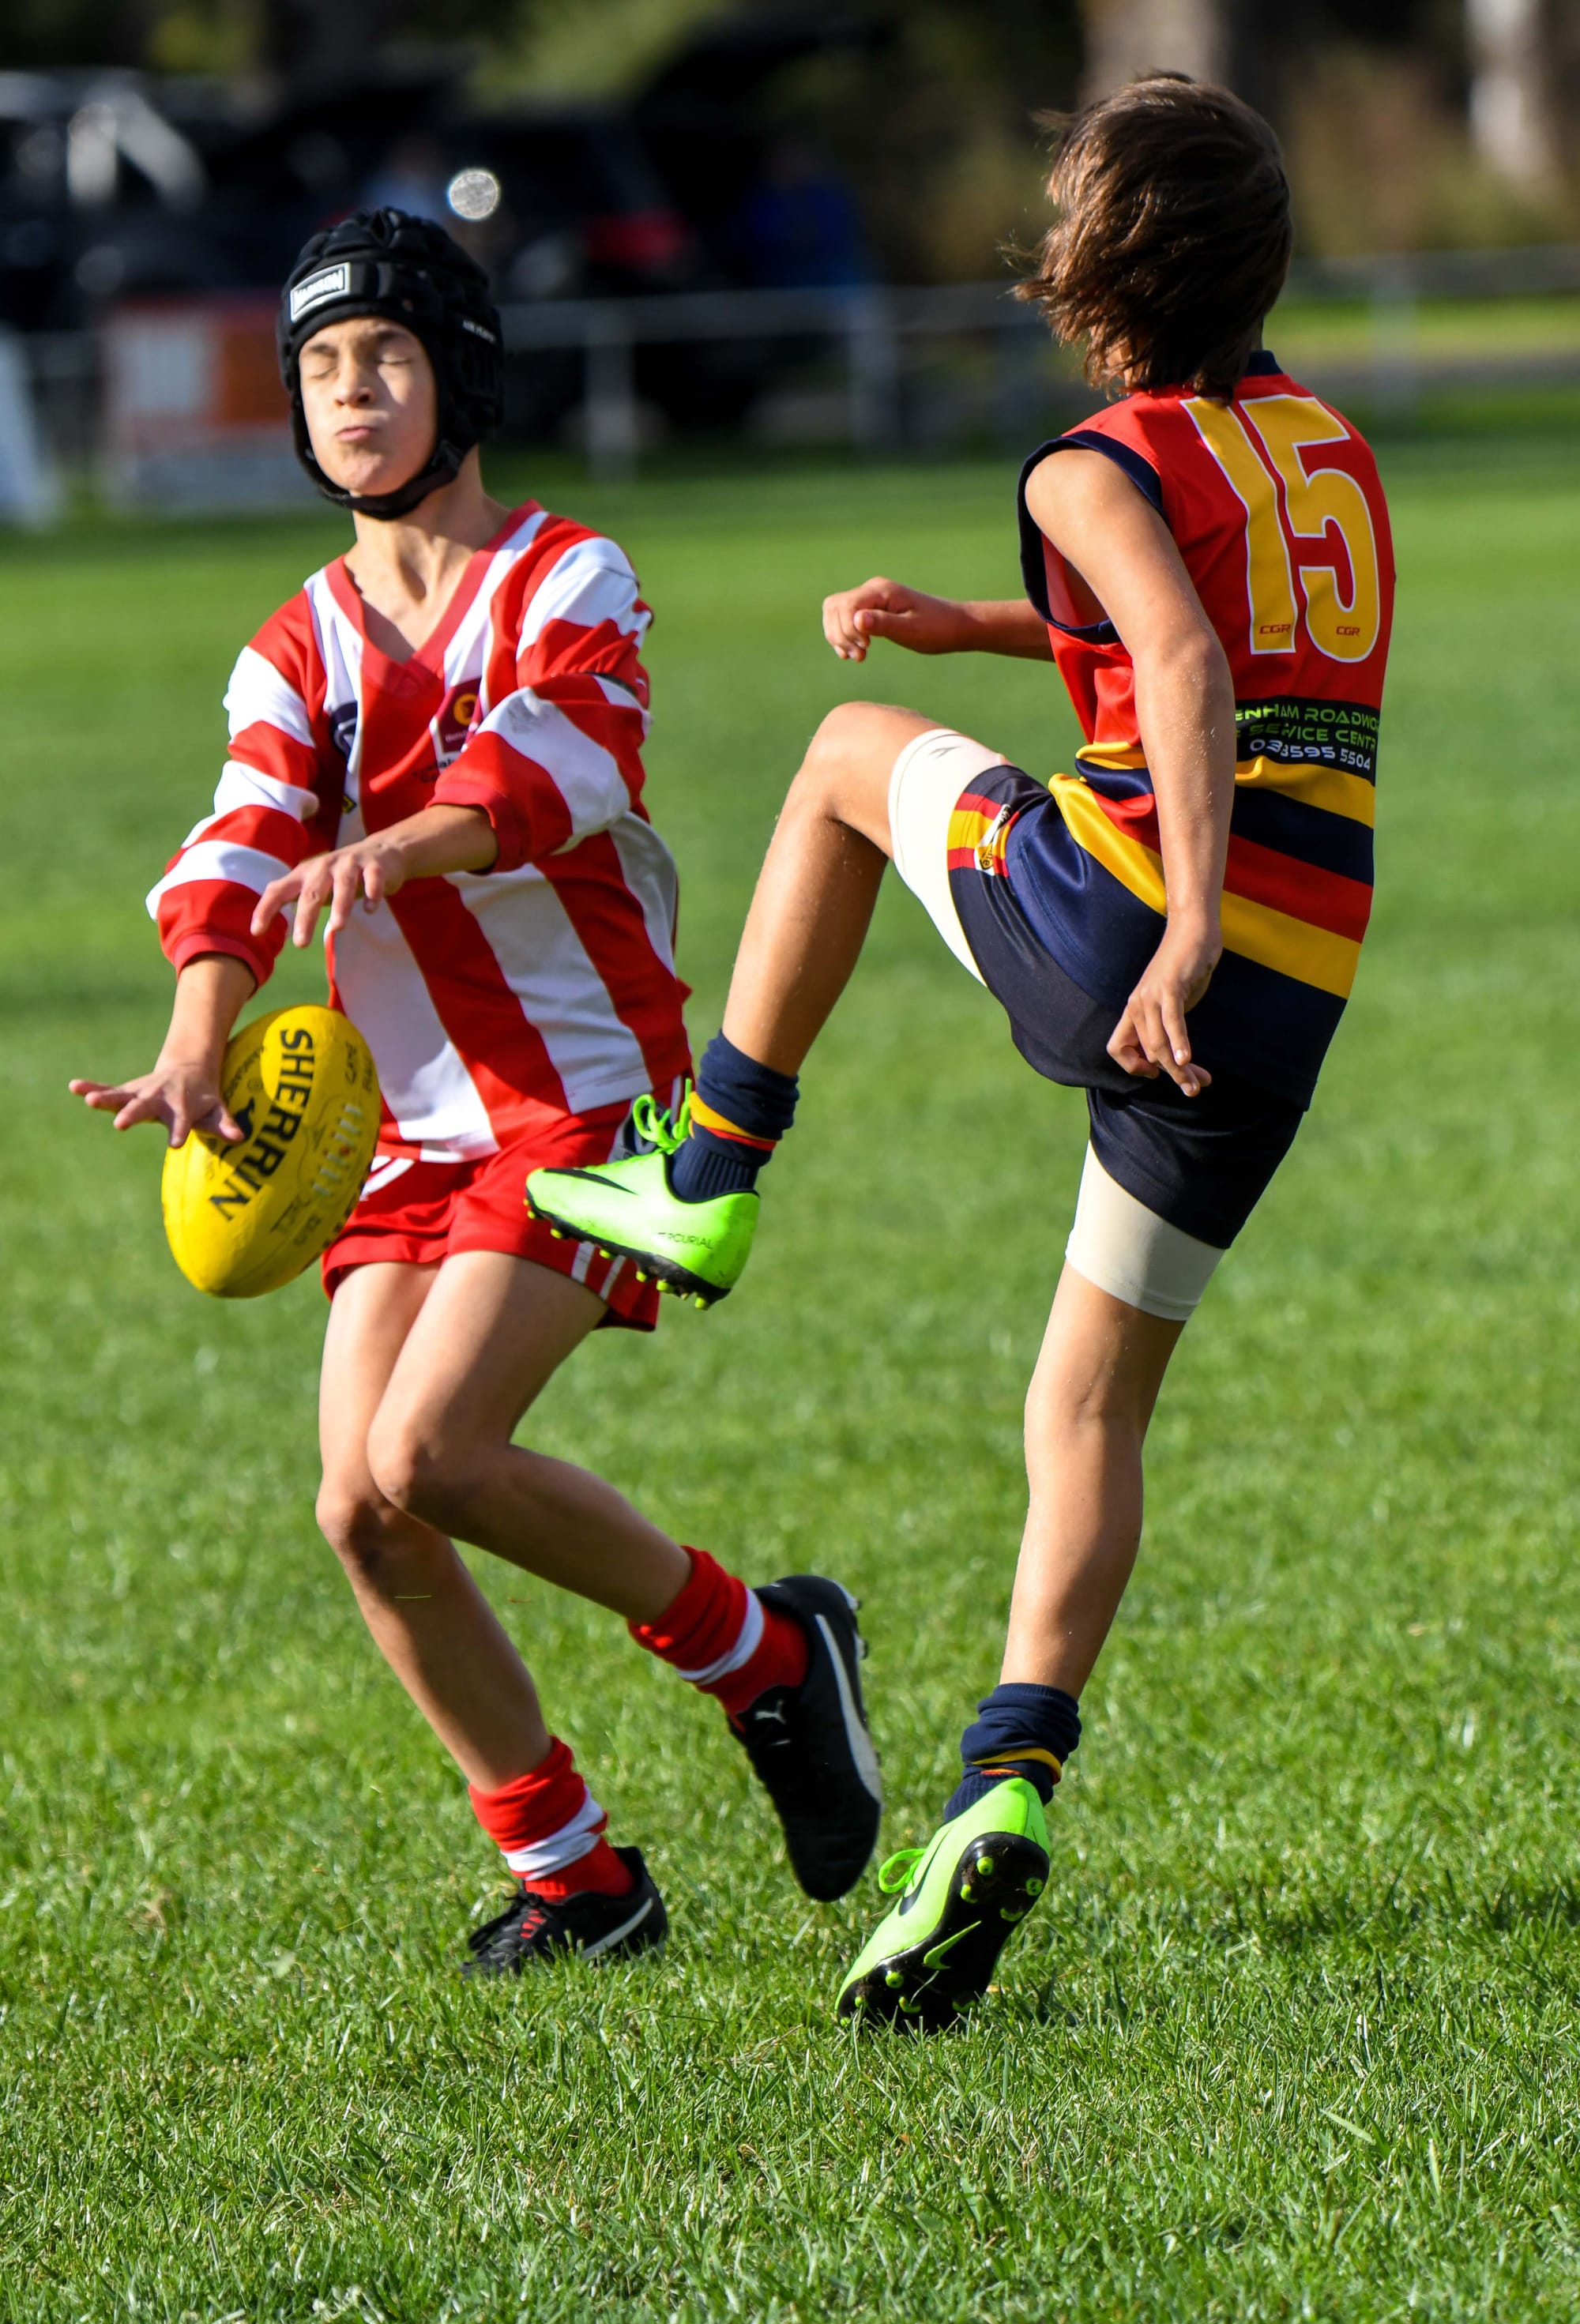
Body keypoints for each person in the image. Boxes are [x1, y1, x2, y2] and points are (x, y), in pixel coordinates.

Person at [527, 78, 1396, 2025]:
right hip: (1291, 991)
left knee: (837, 770)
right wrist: (973, 627)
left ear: (1096, 260)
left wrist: (1165, 920)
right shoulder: (1325, 448)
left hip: (1144, 931)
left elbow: (1179, 666)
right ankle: (1000, 1795)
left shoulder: (1093, 453)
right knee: (1084, 1408)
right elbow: (1201, 625)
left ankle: (710, 1175)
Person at [70, 209, 881, 1975]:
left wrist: (404, 849)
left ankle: (765, 1657)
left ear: (463, 377)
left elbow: (560, 768)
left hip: (585, 1106)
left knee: (431, 1452)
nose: (350, 394)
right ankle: (582, 1882)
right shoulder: (293, 644)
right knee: (358, 1505)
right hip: (401, 1124)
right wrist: (201, 1022)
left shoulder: (569, 576)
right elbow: (241, 836)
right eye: (318, 370)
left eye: (384, 358)